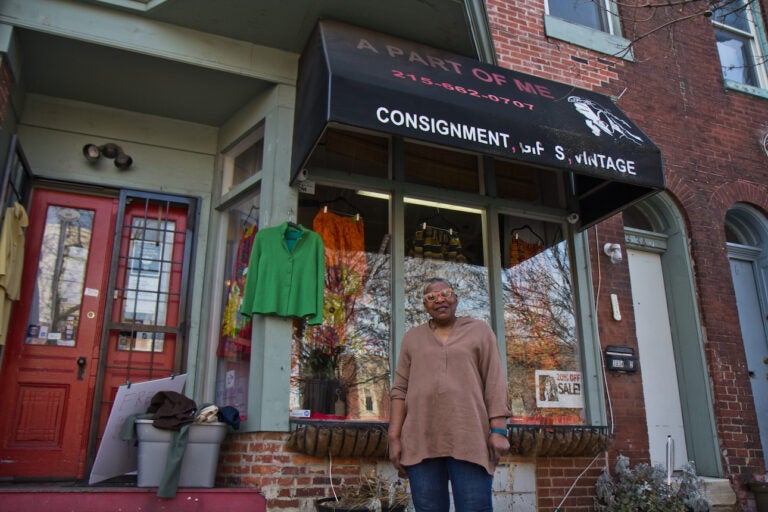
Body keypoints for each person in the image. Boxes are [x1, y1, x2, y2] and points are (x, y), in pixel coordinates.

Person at [388, 277, 512, 512]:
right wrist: (394, 438)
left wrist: (498, 430)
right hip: (420, 438)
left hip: (469, 436)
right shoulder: (412, 338)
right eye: (431, 297)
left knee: (474, 508)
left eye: (445, 294)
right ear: (425, 305)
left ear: (456, 298)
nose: (439, 300)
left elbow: (494, 381)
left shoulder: (479, 331)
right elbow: (400, 389)